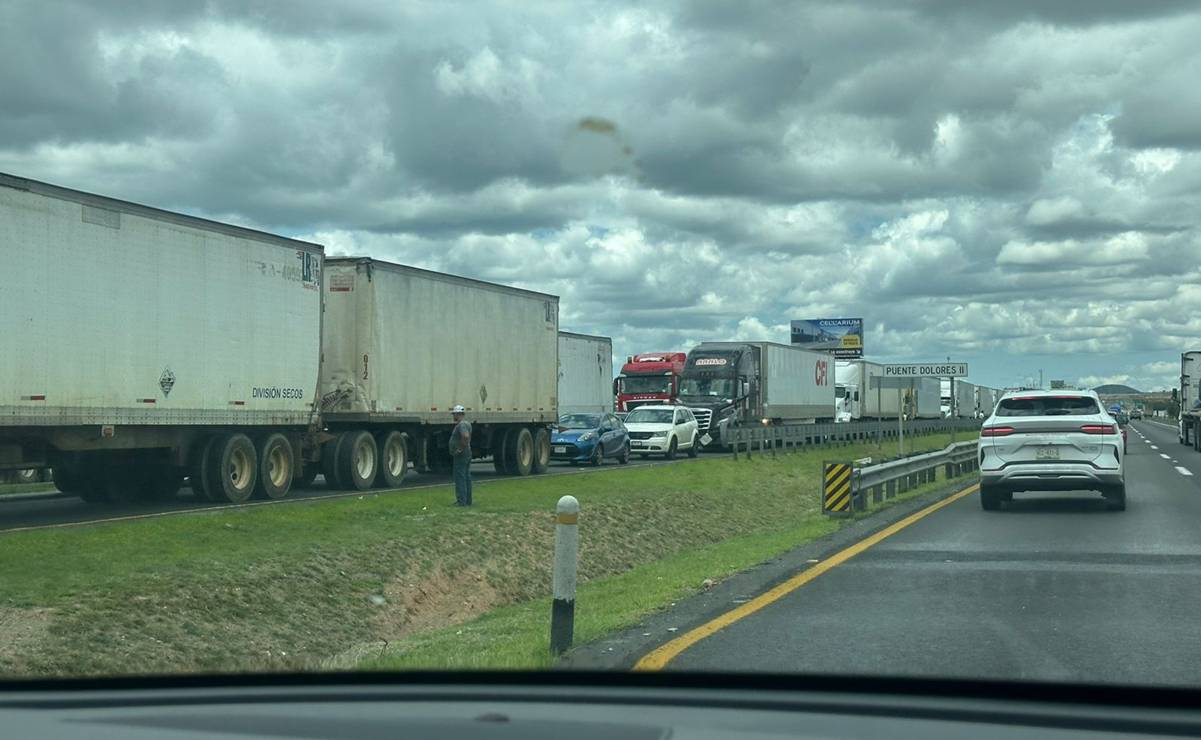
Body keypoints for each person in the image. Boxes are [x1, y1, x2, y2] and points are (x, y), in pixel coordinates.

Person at [449, 404, 473, 506]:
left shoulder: (461, 425)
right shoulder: (467, 424)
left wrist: (459, 449)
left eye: (454, 414)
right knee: (466, 477)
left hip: (462, 455)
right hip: (467, 454)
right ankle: (468, 500)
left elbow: (465, 436)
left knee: (460, 478)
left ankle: (461, 501)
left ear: (458, 414)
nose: (453, 416)